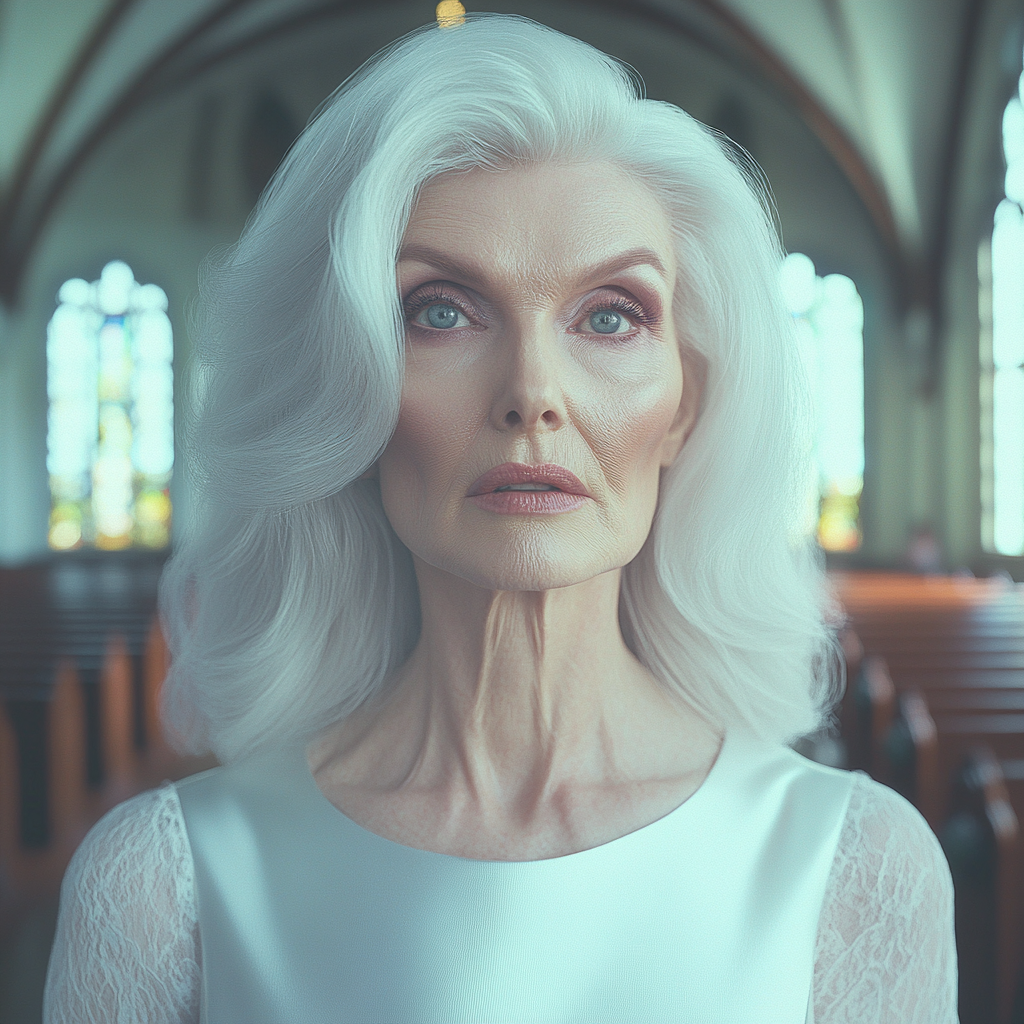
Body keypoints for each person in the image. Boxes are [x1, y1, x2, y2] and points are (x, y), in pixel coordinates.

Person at [43, 11, 957, 1023]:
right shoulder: (160, 892)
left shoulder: (856, 869)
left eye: (609, 314)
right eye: (440, 309)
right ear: (348, 393)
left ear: (684, 405)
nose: (532, 392)